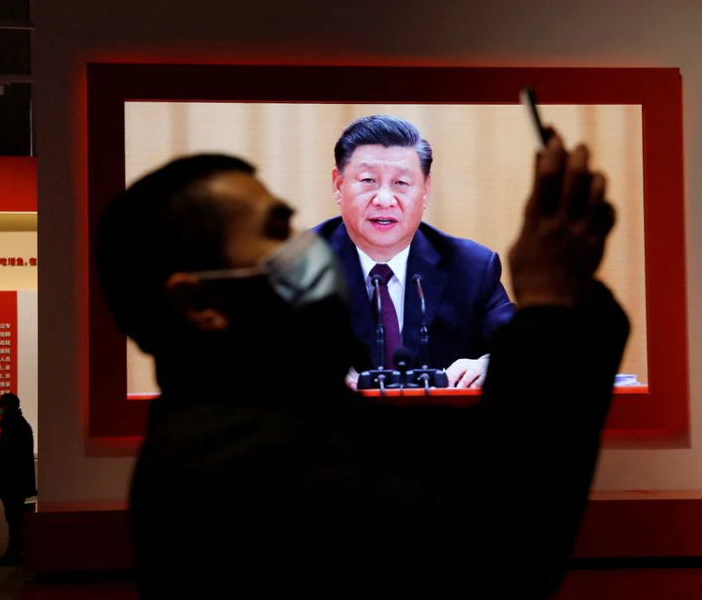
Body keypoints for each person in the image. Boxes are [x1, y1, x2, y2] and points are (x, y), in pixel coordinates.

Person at [95, 130, 627, 597]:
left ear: (424, 190)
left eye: (402, 182)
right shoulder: (228, 466)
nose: (307, 252)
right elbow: (506, 552)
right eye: (278, 233)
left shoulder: (279, 411)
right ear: (198, 305)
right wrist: (552, 302)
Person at [315, 115, 516, 388]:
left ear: (425, 190)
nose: (384, 200)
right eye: (368, 180)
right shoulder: (299, 267)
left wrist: (489, 365)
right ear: (338, 186)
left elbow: (525, 352)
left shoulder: (471, 267)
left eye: (401, 183)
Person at [0, 392, 36, 567]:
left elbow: (10, 456)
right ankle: (16, 551)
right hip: (15, 480)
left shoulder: (14, 427)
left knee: (14, 518)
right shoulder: (17, 426)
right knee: (14, 517)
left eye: (1, 406)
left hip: (13, 481)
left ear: (8, 407)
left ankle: (15, 553)